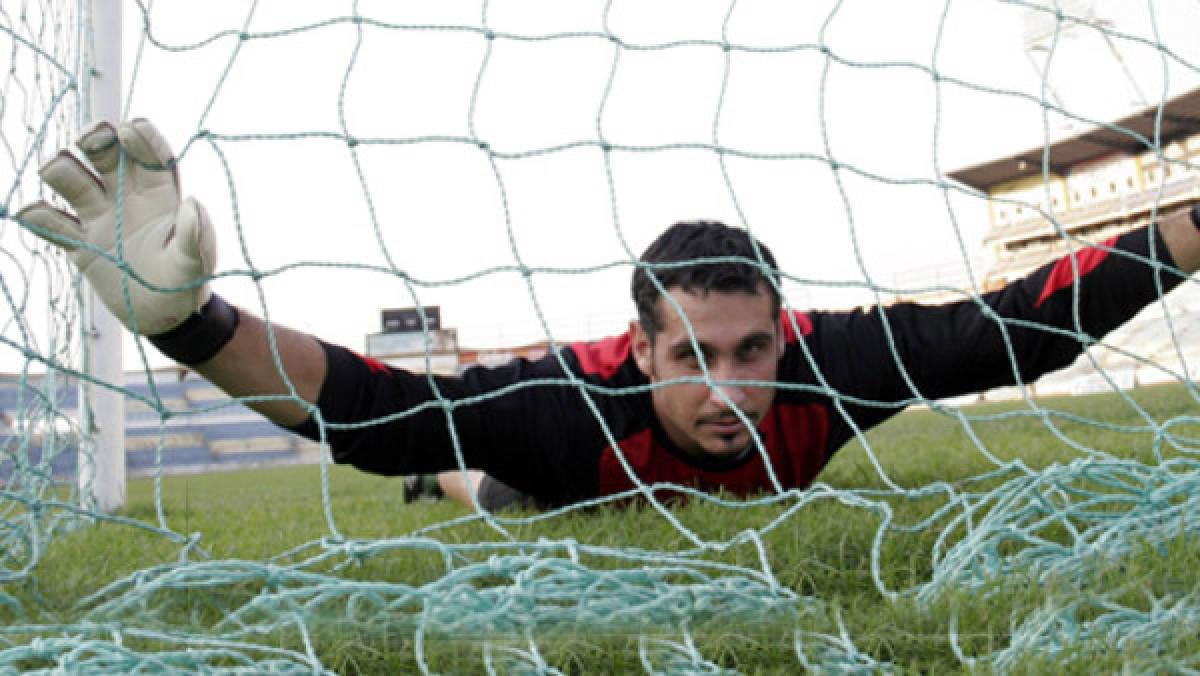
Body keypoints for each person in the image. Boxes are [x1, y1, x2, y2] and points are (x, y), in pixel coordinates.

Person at [17, 120, 1200, 511]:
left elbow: (1012, 328)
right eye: (695, 356)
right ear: (639, 347)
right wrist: (184, 322)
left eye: (753, 353)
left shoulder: (833, 363)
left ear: (786, 335)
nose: (732, 387)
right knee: (487, 481)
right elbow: (380, 410)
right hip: (561, 476)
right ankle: (475, 486)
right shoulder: (567, 397)